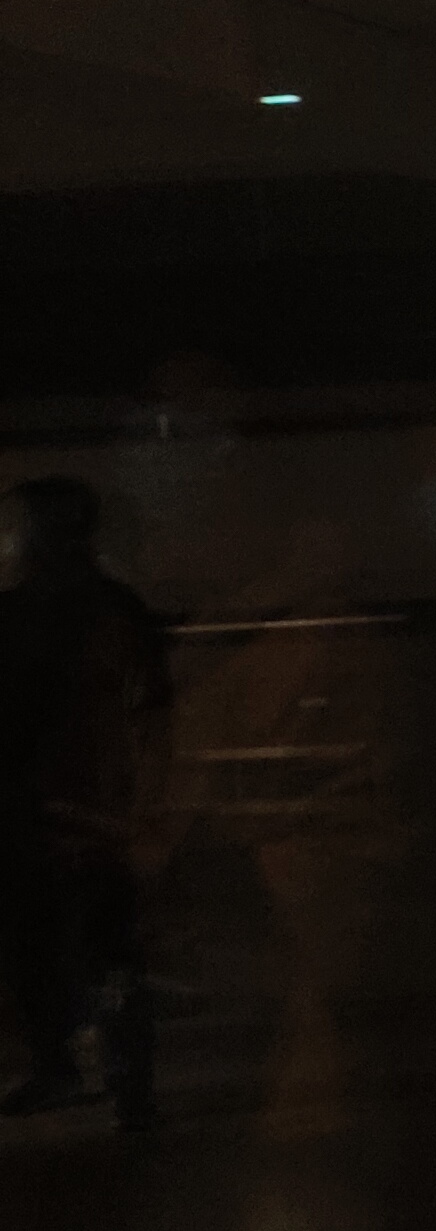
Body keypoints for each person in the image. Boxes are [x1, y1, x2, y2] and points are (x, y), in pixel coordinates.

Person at [0, 475, 169, 1123]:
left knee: (43, 946)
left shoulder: (19, 615)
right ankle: (127, 1079)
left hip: (40, 813)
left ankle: (64, 1067)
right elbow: (150, 714)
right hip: (98, 811)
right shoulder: (117, 608)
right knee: (108, 949)